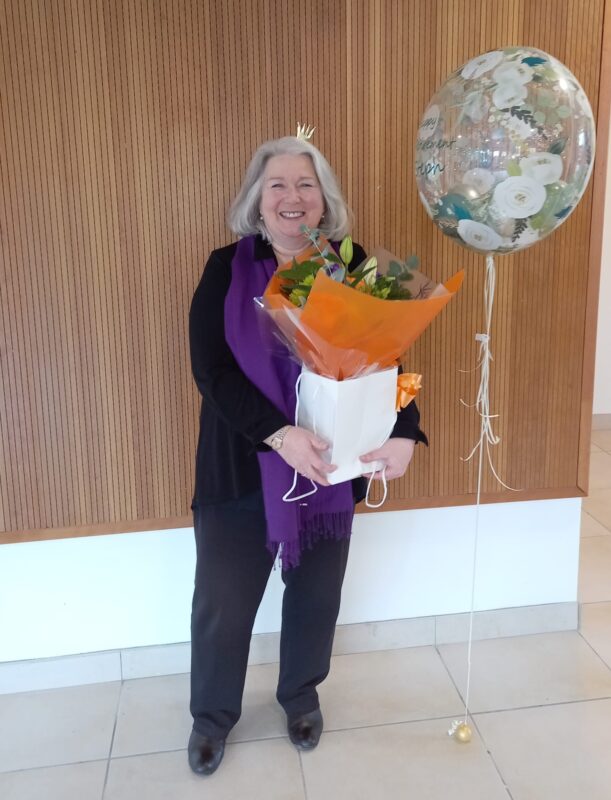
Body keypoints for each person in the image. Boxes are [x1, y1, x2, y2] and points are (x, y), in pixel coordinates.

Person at [187, 134, 427, 776]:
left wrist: (406, 430)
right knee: (224, 601)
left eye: (306, 185)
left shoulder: (349, 266)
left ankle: (300, 696)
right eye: (278, 186)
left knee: (316, 595)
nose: (292, 198)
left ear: (323, 201)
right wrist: (279, 435)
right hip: (242, 467)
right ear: (257, 202)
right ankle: (211, 718)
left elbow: (389, 362)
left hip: (328, 471)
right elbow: (211, 371)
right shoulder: (225, 268)